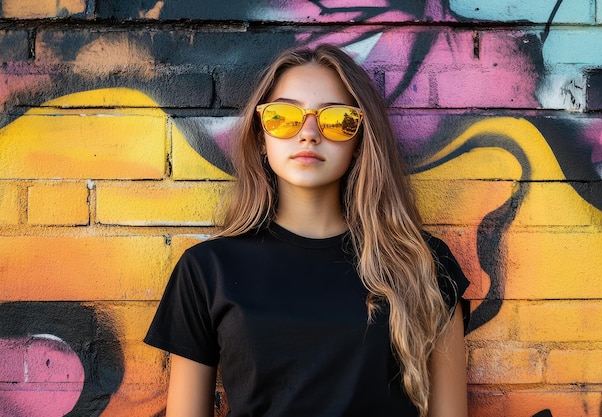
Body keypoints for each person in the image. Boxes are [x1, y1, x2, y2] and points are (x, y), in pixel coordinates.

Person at [144, 44, 470, 417]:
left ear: (360, 140)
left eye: (336, 120)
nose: (309, 133)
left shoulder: (422, 264)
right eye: (283, 117)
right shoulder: (207, 270)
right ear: (261, 137)